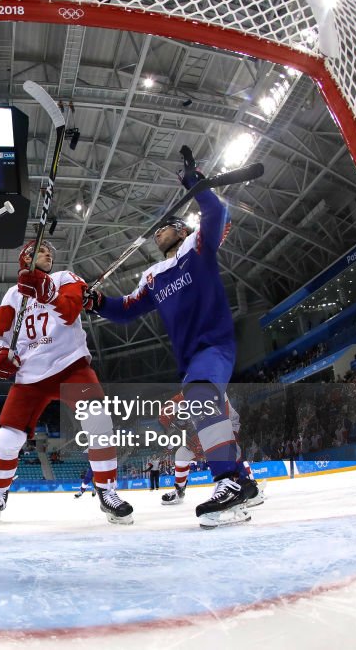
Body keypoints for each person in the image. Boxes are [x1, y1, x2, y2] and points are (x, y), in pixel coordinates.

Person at [85, 146, 258, 529]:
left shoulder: (199, 246)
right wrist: (95, 301)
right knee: (201, 399)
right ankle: (246, 485)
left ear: (181, 229)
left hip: (215, 346)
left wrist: (194, 182)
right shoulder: (154, 275)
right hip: (190, 358)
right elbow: (125, 310)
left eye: (166, 224)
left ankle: (227, 482)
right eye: (159, 227)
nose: (159, 230)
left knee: (198, 394)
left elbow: (216, 213)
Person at [0, 239, 133, 525]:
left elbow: (70, 309)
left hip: (70, 365)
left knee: (99, 420)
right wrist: (1, 354)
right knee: (7, 438)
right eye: (40, 250)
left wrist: (45, 289)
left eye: (50, 252)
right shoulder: (13, 295)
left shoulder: (65, 278)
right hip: (29, 376)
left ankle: (107, 491)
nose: (48, 253)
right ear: (25, 257)